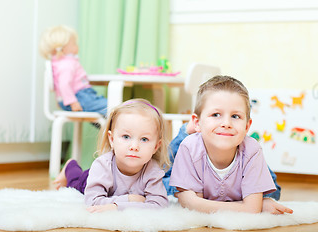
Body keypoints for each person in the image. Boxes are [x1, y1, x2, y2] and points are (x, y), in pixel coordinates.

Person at [169, 75, 293, 214]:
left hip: (246, 174)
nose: (226, 124)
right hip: (193, 165)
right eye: (216, 114)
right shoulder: (189, 147)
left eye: (235, 116)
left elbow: (199, 205)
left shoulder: (252, 150)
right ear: (197, 123)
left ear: (247, 126)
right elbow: (193, 208)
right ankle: (186, 130)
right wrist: (249, 206)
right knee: (165, 183)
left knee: (271, 194)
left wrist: (197, 203)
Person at [53, 98, 170, 212]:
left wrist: (117, 207)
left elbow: (160, 205)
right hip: (91, 178)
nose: (134, 146)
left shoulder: (152, 170)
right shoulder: (102, 165)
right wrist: (129, 200)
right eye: (126, 137)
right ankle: (70, 166)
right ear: (112, 139)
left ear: (156, 146)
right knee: (75, 183)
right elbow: (92, 201)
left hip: (110, 193)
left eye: (144, 139)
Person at [39, 25, 107, 116]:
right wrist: (72, 102)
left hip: (79, 97)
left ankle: (107, 127)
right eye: (74, 43)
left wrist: (61, 99)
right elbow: (64, 84)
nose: (77, 46)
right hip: (80, 97)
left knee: (104, 112)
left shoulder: (58, 63)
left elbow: (60, 85)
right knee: (111, 107)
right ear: (63, 48)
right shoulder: (67, 64)